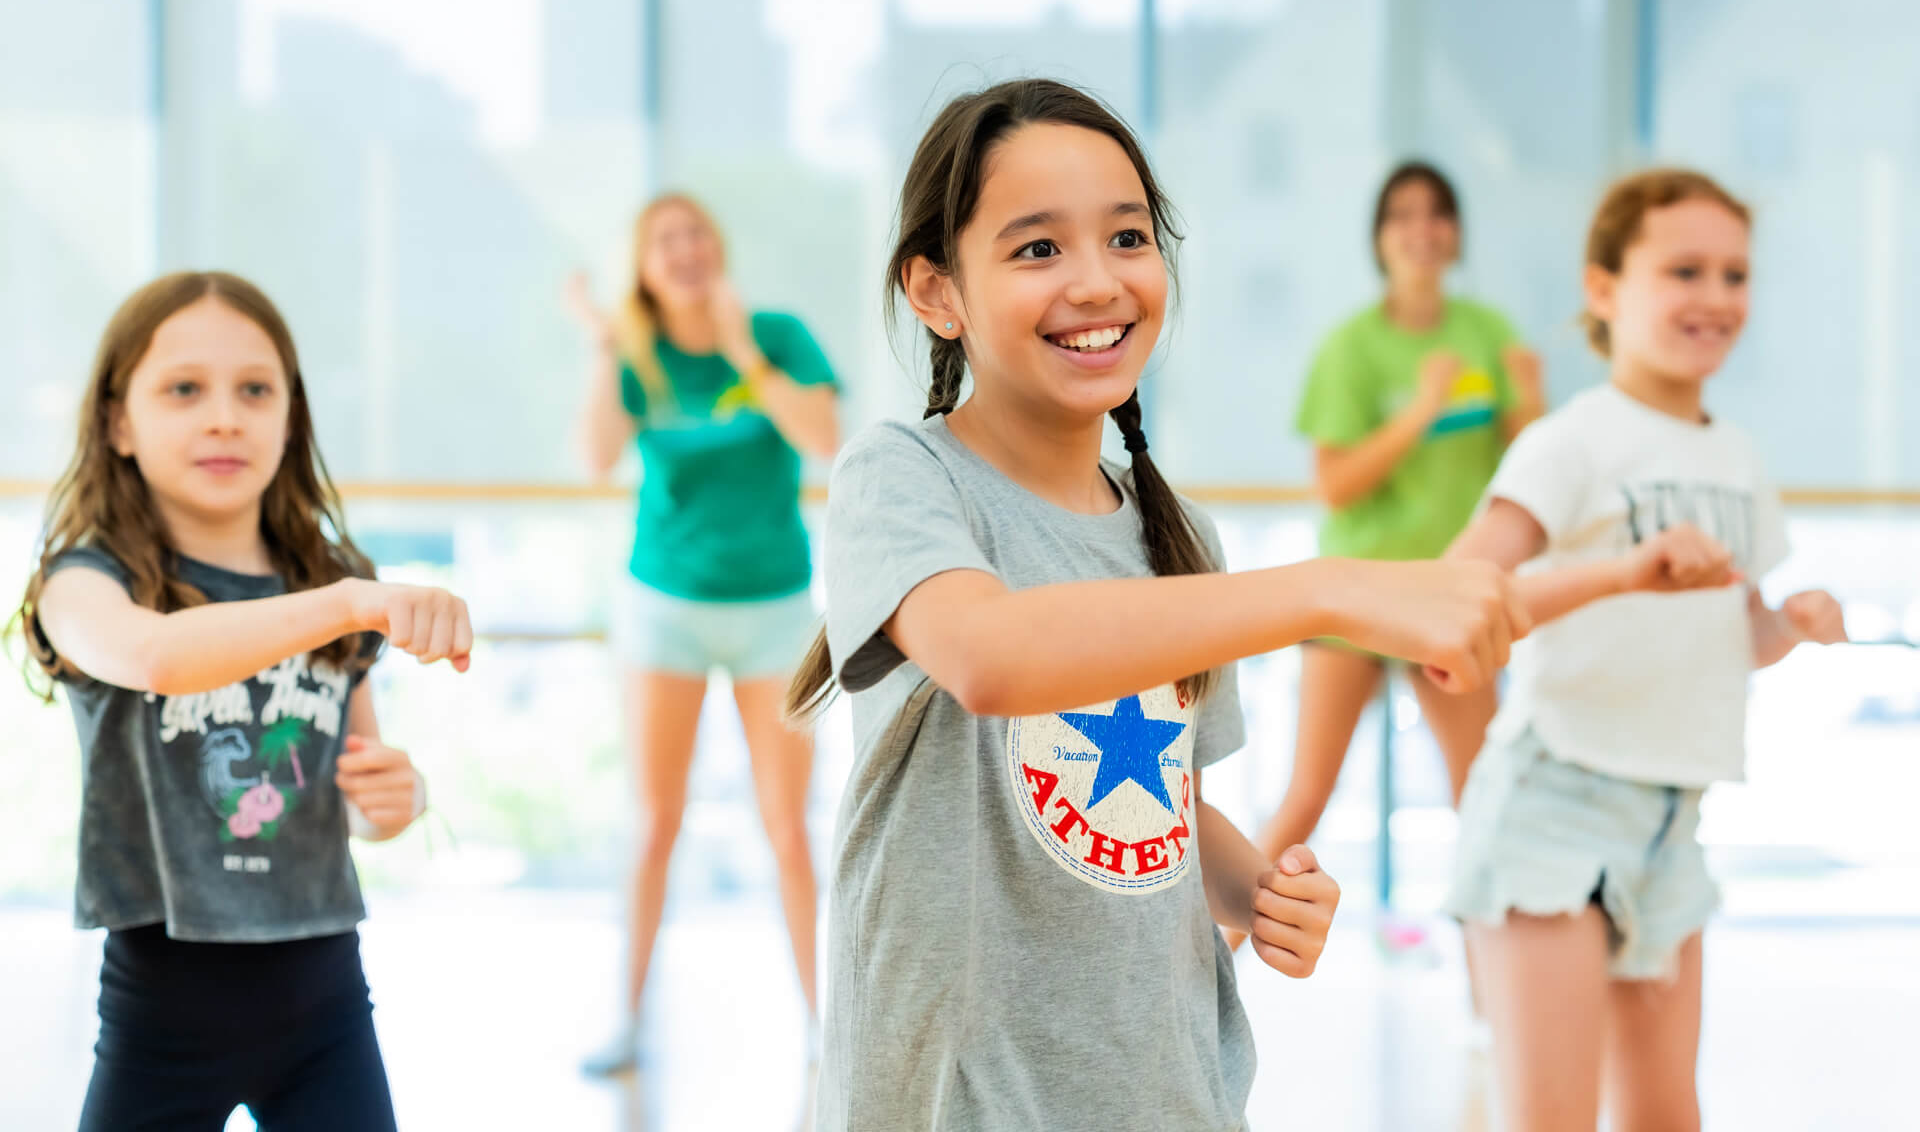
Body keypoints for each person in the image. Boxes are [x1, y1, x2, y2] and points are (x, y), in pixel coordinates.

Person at [786, 79, 1532, 1129]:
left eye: (1128, 237)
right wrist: (1331, 586)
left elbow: (1153, 800)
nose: (1097, 281)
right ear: (936, 289)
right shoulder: (901, 477)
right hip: (956, 1098)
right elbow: (992, 660)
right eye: (1037, 248)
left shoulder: (1175, 529)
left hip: (1164, 1090)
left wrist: (1256, 887)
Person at [14, 271, 472, 1131]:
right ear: (119, 421)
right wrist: (349, 602)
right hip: (158, 1021)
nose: (224, 415)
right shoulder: (83, 583)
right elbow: (156, 658)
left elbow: (353, 800)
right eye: (184, 389)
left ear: (289, 418)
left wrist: (396, 800)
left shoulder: (337, 584)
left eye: (254, 390)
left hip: (328, 1009)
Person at [1443, 170, 1848, 1130]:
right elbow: (1459, 601)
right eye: (1684, 270)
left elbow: (1733, 636)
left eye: (1734, 274)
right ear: (1603, 289)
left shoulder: (1738, 459)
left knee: (1668, 1118)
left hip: (1672, 823)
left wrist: (1789, 623)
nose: (1715, 297)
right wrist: (1625, 571)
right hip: (1552, 805)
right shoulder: (1570, 442)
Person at [565, 193, 841, 1075]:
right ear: (642, 267)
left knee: (788, 828)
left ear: (717, 250)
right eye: (662, 242)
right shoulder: (636, 355)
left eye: (695, 237)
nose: (682, 252)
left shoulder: (779, 336)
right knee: (654, 823)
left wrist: (744, 354)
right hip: (666, 611)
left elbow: (827, 439)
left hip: (775, 611)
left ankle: (821, 1031)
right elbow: (594, 456)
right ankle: (628, 1023)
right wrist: (604, 346)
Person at [1239, 162, 1546, 951]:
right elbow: (1336, 485)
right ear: (1379, 238)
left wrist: (1531, 403)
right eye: (1403, 215)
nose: (1422, 229)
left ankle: (1495, 1005)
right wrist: (1420, 410)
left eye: (1438, 214)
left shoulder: (1487, 332)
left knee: (1481, 797)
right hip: (1357, 597)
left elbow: (1532, 462)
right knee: (1307, 794)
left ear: (1456, 234)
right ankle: (1208, 974)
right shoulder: (1352, 348)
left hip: (1449, 598)